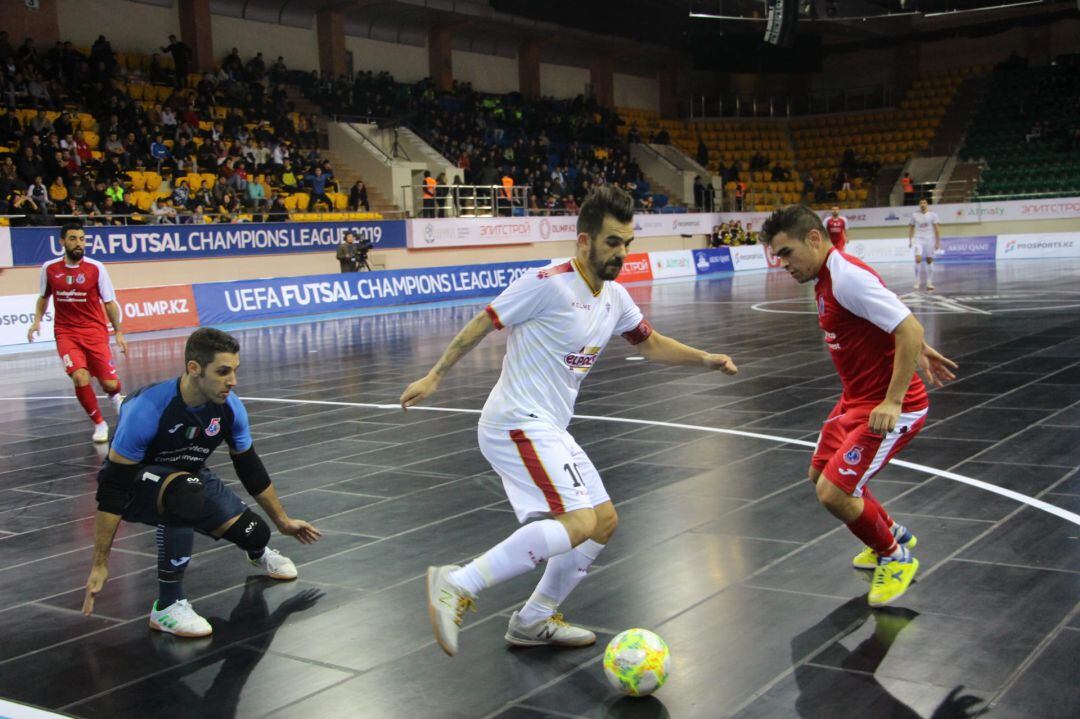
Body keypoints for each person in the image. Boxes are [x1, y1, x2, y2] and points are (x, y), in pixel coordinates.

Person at [400, 186, 739, 657]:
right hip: (514, 420)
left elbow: (651, 343)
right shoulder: (548, 282)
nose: (623, 252)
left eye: (627, 242)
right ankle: (458, 583)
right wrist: (436, 376)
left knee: (602, 521)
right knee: (577, 520)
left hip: (549, 427)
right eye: (612, 242)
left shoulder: (616, 297)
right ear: (584, 242)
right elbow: (485, 320)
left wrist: (705, 359)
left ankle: (533, 620)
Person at [759, 205, 957, 608]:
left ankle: (895, 557)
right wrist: (917, 347)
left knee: (834, 493)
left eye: (785, 253)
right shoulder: (829, 275)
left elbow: (909, 326)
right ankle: (890, 531)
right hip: (856, 399)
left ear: (814, 239)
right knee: (819, 474)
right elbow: (892, 317)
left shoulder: (845, 277)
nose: (782, 264)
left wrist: (893, 400)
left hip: (890, 408)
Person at [81, 328, 322, 637]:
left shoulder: (230, 407)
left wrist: (282, 521)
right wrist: (100, 562)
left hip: (189, 477)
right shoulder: (148, 408)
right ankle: (167, 606)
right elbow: (113, 487)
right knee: (184, 492)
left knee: (256, 533)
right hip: (134, 486)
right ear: (194, 369)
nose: (232, 381)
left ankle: (257, 551)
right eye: (223, 372)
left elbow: (250, 468)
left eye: (235, 371)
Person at [28, 222, 126, 442]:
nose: (79, 243)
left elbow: (109, 303)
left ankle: (114, 397)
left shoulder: (96, 268)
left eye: (82, 239)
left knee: (110, 383)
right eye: (73, 239)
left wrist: (118, 332)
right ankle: (100, 424)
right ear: (62, 242)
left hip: (95, 331)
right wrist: (36, 322)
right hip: (66, 333)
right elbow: (43, 297)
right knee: (80, 377)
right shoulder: (50, 268)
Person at [908, 198, 941, 292]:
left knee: (929, 260)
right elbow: (911, 228)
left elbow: (937, 229)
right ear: (919, 205)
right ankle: (917, 281)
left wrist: (938, 242)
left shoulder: (933, 215)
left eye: (924, 203)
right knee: (918, 259)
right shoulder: (914, 215)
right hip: (918, 239)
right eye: (921, 203)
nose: (923, 204)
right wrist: (910, 240)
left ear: (927, 204)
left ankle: (929, 282)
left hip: (930, 239)